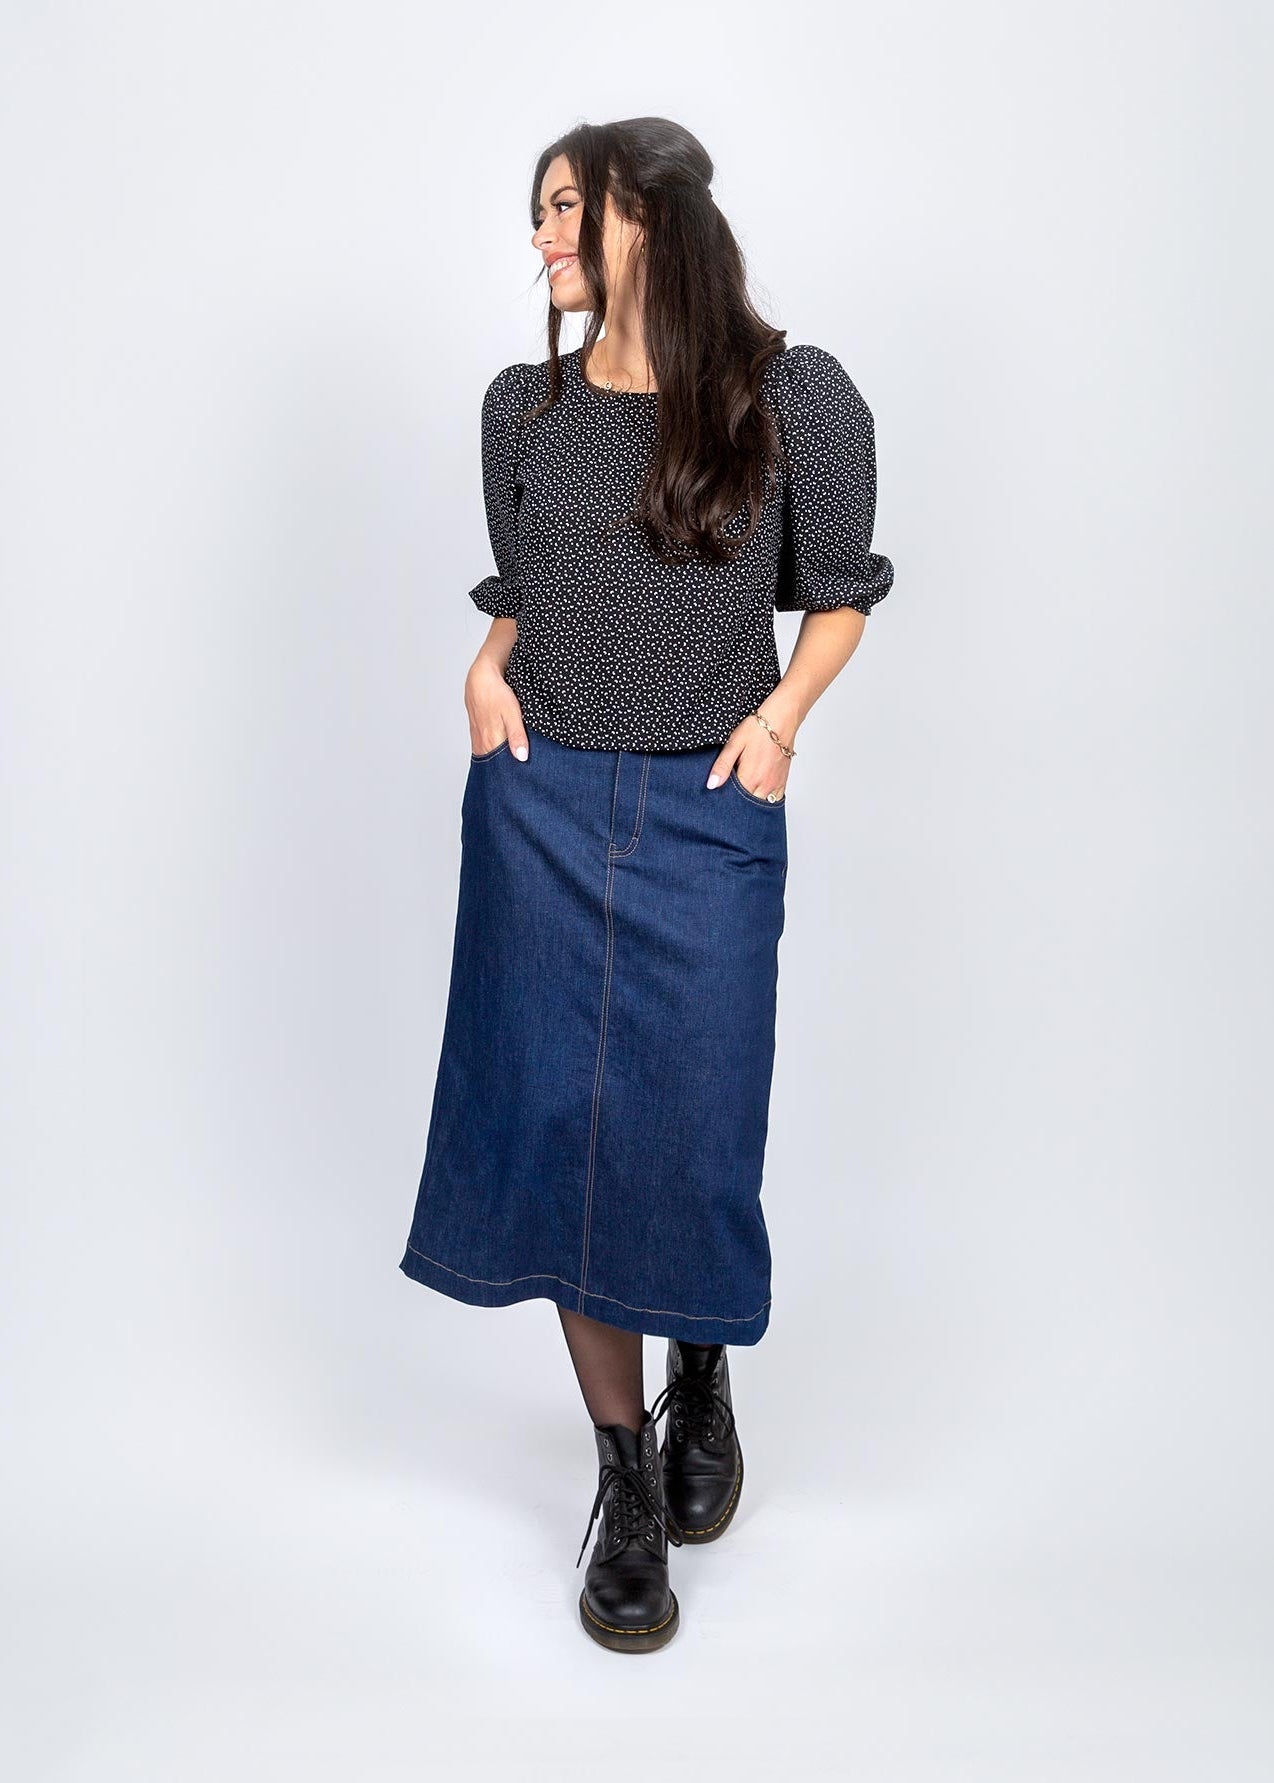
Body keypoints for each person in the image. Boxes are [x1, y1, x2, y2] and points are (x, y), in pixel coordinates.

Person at [399, 116, 894, 1652]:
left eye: (561, 208)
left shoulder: (789, 394)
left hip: (704, 804)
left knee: (684, 1123)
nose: (539, 236)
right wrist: (485, 669)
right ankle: (621, 1477)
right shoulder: (519, 408)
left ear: (641, 217)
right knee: (557, 1126)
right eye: (534, 212)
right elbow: (527, 592)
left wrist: (776, 721)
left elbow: (839, 598)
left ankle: (702, 1371)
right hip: (540, 806)